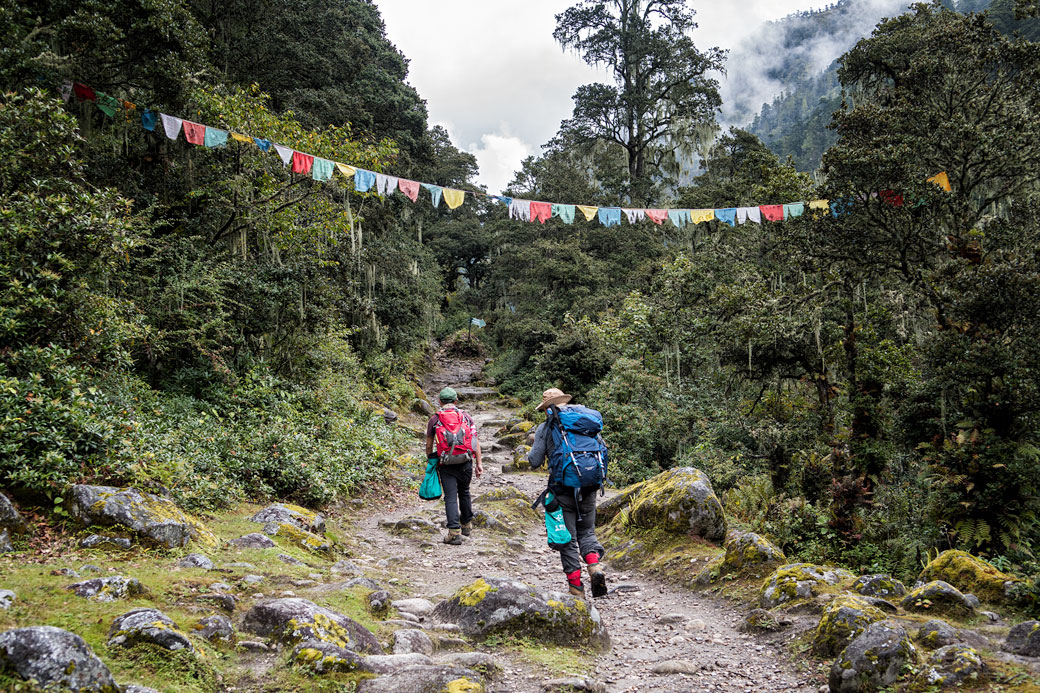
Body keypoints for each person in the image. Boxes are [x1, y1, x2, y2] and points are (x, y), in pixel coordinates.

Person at [527, 388, 607, 598]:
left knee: (568, 539)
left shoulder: (547, 426)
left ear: (547, 409)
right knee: (587, 532)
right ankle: (595, 568)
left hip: (562, 488)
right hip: (589, 485)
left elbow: (534, 461)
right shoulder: (586, 423)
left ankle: (576, 588)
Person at [426, 387, 483, 545]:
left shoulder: (435, 419)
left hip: (446, 463)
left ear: (440, 402)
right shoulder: (466, 417)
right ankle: (466, 526)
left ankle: (454, 532)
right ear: (456, 401)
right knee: (464, 491)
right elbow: (475, 441)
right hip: (465, 461)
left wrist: (431, 461)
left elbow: (429, 445)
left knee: (450, 496)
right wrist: (479, 463)